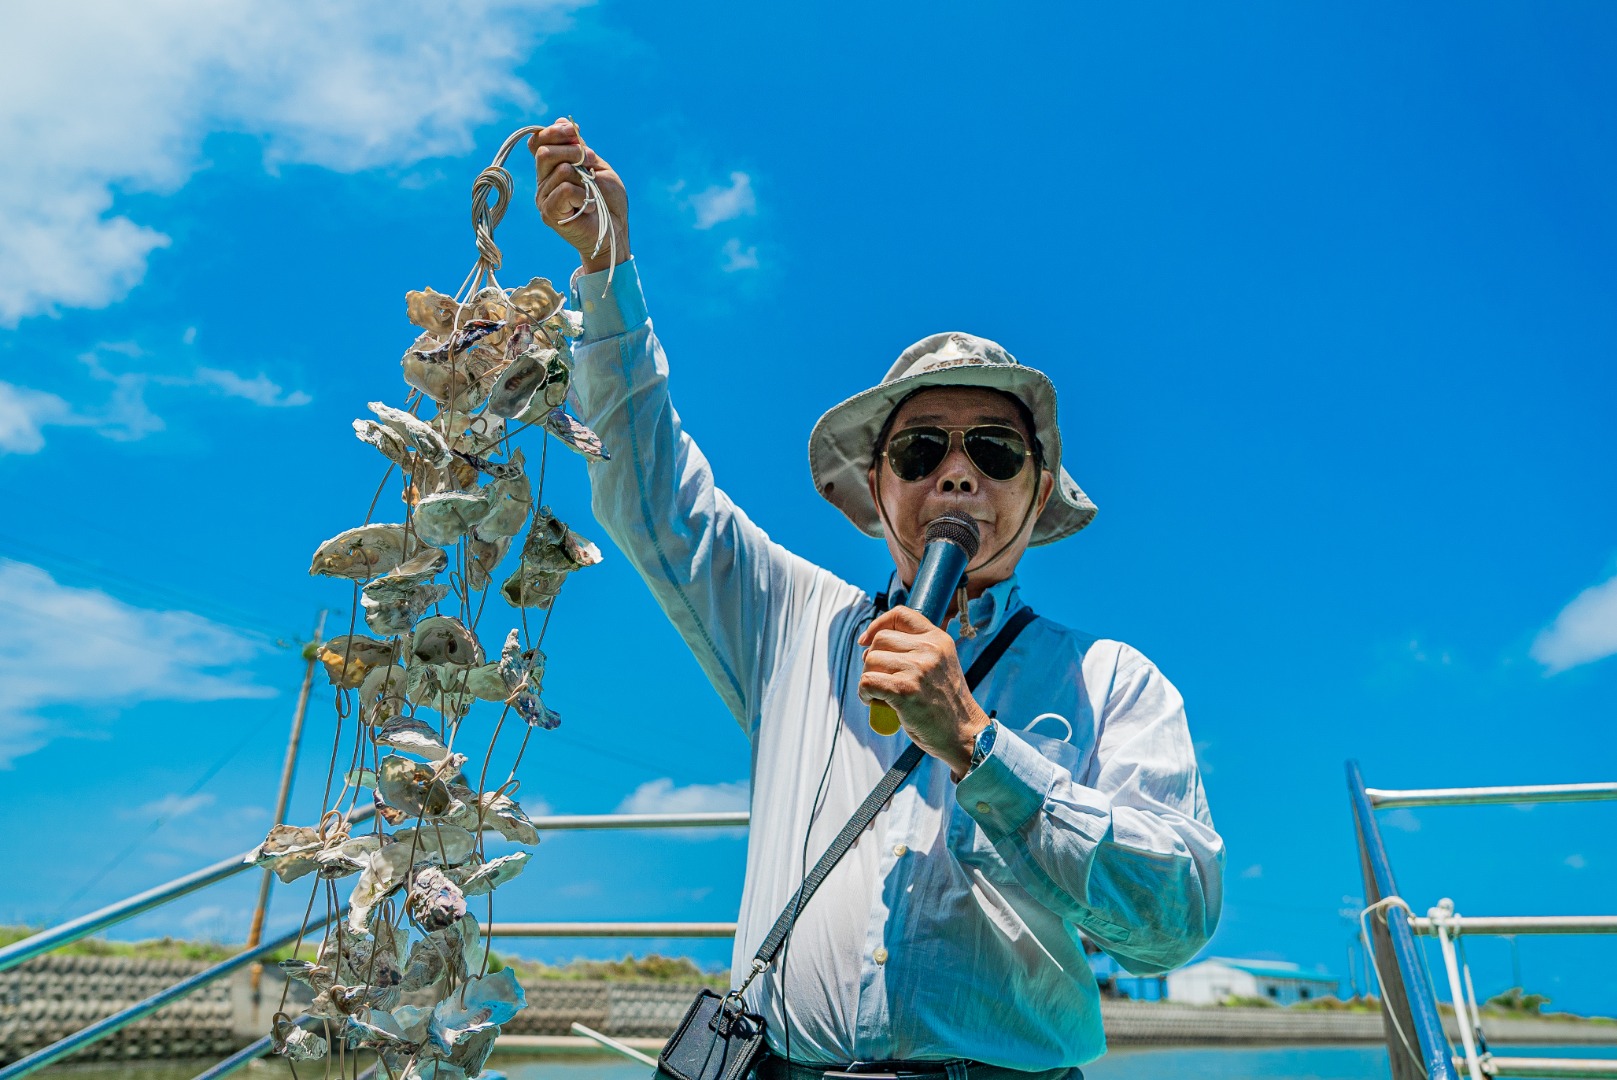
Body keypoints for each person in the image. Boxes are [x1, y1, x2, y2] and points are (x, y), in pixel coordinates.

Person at [527, 119, 1224, 1080]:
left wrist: (980, 747)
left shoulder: (1112, 680)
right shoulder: (793, 618)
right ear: (878, 493)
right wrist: (607, 273)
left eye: (994, 450)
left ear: (1034, 491)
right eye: (918, 449)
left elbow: (1172, 925)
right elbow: (650, 496)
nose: (955, 475)